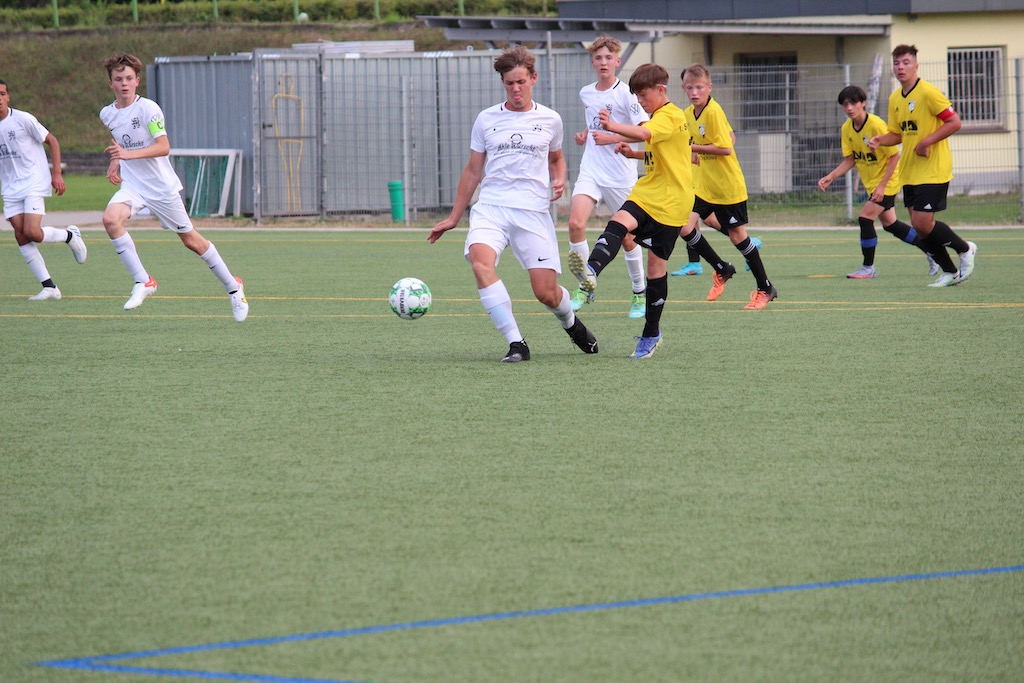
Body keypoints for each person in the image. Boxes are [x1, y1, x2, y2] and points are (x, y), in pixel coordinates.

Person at [428, 46, 598, 363]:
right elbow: (473, 170)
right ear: (503, 83)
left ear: (533, 78)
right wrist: (453, 217)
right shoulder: (486, 119)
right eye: (509, 83)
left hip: (532, 212)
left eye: (521, 82)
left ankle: (570, 322)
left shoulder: (550, 119)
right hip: (491, 208)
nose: (516, 89)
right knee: (480, 263)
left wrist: (560, 178)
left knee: (545, 292)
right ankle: (516, 343)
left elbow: (556, 159)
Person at [568, 63, 733, 359]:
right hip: (649, 190)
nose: (640, 102)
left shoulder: (670, 116)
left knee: (656, 268)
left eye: (643, 96)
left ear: (661, 90)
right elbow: (660, 151)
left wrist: (612, 127)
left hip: (672, 200)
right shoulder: (662, 117)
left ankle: (651, 333)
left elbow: (643, 132)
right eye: (637, 96)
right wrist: (632, 153)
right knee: (618, 222)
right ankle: (591, 272)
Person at [99, 53, 248, 320]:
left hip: (161, 188)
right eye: (119, 79)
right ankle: (143, 280)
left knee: (191, 241)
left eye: (129, 78)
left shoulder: (149, 109)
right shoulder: (107, 114)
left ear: (137, 81)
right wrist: (116, 161)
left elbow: (163, 146)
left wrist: (127, 155)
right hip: (134, 185)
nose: (124, 83)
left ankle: (233, 287)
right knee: (110, 220)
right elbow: (121, 141)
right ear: (110, 83)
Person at [869, 44, 976, 287]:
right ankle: (950, 271)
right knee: (921, 229)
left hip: (933, 169)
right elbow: (898, 134)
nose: (900, 67)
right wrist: (880, 140)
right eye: (896, 63)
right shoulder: (895, 98)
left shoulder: (929, 93)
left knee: (922, 223)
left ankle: (965, 248)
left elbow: (954, 122)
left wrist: (927, 141)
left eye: (906, 62)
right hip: (910, 171)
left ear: (916, 66)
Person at [676, 64, 776, 309]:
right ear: (683, 88)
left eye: (699, 87)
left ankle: (765, 288)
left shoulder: (714, 111)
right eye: (690, 88)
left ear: (709, 87)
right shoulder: (688, 114)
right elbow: (730, 135)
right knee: (684, 226)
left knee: (737, 237)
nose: (694, 92)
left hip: (727, 187)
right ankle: (722, 268)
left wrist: (694, 148)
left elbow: (726, 148)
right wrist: (693, 151)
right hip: (704, 186)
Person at [818, 84, 938, 279]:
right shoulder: (847, 129)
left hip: (888, 181)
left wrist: (882, 187)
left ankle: (868, 268)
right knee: (891, 225)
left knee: (865, 218)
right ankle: (933, 251)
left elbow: (894, 156)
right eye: (845, 104)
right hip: (873, 183)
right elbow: (851, 160)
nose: (849, 108)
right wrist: (831, 176)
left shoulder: (876, 125)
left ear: (863, 103)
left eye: (853, 103)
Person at [567, 36, 649, 319]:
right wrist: (585, 135)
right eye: (599, 58)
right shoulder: (586, 93)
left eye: (608, 58)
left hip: (620, 176)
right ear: (593, 62)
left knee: (628, 238)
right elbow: (594, 125)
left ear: (617, 61)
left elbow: (644, 131)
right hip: (591, 170)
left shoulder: (626, 94)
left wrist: (612, 136)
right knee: (575, 223)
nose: (603, 62)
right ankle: (586, 284)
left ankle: (639, 291)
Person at [0, 79, 87, 300]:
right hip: (10, 187)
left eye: (2, 94)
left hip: (33, 181)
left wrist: (56, 173)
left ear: (8, 97)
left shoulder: (23, 119)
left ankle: (70, 235)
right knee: (21, 235)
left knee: (32, 232)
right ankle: (49, 287)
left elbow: (52, 141)